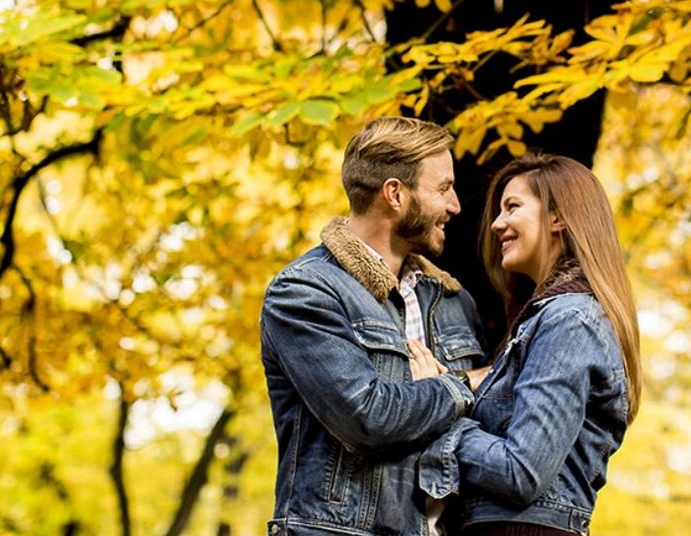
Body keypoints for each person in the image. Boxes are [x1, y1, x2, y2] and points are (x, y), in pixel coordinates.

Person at [261, 116, 490, 536]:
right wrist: (462, 385)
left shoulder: (454, 302)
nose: (455, 205)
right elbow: (367, 418)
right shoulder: (305, 292)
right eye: (443, 188)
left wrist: (429, 395)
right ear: (395, 194)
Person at [418, 153, 643, 535]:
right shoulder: (544, 319)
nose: (496, 224)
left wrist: (435, 414)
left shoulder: (570, 320)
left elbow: (520, 470)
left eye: (513, 207)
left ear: (557, 217)